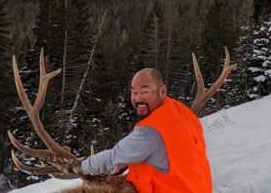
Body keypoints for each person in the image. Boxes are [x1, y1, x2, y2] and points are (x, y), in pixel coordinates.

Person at [54, 68, 212, 192]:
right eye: (134, 92)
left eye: (145, 92)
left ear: (162, 91)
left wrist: (78, 166)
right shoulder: (183, 113)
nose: (138, 99)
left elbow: (112, 158)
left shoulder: (150, 130)